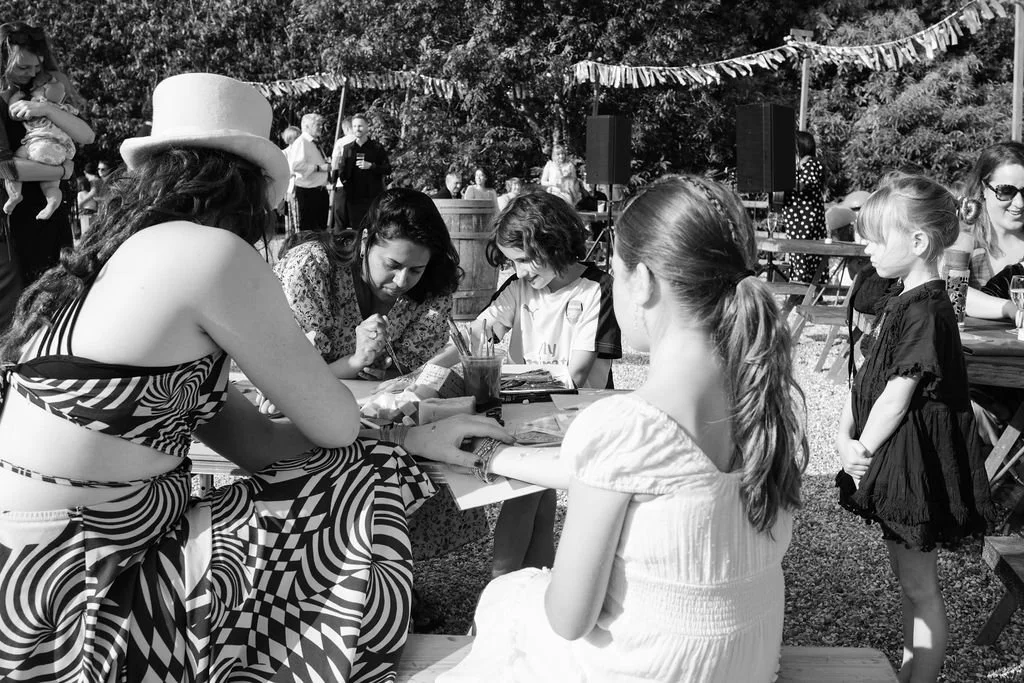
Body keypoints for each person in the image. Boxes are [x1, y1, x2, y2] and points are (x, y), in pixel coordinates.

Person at [0, 72, 511, 681]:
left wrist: (402, 434)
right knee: (364, 478)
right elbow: (335, 426)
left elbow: (258, 442)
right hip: (97, 586)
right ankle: (324, 652)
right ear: (256, 186)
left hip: (29, 582)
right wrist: (402, 441)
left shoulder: (106, 265)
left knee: (355, 464)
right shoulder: (212, 253)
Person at [426, 174, 808, 681]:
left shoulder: (624, 425)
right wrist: (490, 455)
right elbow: (636, 476)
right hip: (747, 665)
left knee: (503, 595)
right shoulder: (767, 406)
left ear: (643, 280)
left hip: (654, 671)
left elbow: (568, 620)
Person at [835, 174, 996, 683]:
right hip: (890, 456)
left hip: (913, 465)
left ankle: (920, 677)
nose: (866, 248)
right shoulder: (898, 299)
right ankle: (909, 671)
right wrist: (843, 435)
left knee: (920, 587)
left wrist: (861, 446)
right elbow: (867, 375)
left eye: (875, 239)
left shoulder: (928, 309)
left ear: (919, 241)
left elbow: (897, 394)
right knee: (909, 583)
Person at [421, 190, 622, 578]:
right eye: (512, 262)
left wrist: (507, 380)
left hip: (576, 414)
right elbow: (475, 334)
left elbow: (577, 373)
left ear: (554, 243)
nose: (520, 270)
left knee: (523, 494)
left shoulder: (598, 288)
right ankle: (535, 584)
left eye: (525, 259)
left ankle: (499, 586)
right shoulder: (518, 287)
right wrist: (424, 374)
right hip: (530, 412)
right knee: (538, 497)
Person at [0, 22, 93, 334]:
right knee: (19, 317)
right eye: (22, 67)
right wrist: (62, 171)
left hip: (50, 216)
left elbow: (86, 136)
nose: (30, 74)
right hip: (12, 225)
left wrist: (48, 110)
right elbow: (4, 167)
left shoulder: (44, 94)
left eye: (36, 67)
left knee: (57, 307)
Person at [3, 70, 82, 220]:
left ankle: (15, 195)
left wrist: (16, 97)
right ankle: (52, 203)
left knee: (12, 164)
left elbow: (14, 114)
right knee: (50, 186)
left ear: (40, 90)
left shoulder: (35, 104)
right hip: (59, 152)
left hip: (37, 144)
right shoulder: (65, 109)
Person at [782, 131, 827, 283]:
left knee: (803, 252)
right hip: (796, 217)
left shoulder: (812, 163)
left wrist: (780, 180)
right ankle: (798, 286)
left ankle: (801, 287)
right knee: (797, 254)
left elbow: (804, 185)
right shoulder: (799, 165)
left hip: (805, 218)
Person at [338, 113, 391, 231]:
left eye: (360, 126)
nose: (357, 129)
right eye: (354, 126)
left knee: (374, 228)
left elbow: (387, 169)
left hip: (373, 196)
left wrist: (371, 166)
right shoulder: (348, 148)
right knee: (357, 229)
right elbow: (342, 170)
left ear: (367, 127)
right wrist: (347, 186)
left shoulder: (376, 148)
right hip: (354, 197)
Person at [284, 112, 330, 231]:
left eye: (321, 124)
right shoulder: (302, 142)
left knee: (320, 229)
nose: (321, 127)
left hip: (319, 190)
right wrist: (319, 168)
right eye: (317, 124)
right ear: (306, 126)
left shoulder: (314, 142)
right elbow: (296, 165)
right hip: (308, 193)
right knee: (309, 231)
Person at [329, 115, 355, 230]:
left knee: (340, 219)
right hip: (361, 184)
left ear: (347, 129)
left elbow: (335, 163)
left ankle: (339, 238)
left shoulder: (341, 142)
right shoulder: (365, 141)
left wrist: (332, 180)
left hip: (342, 183)